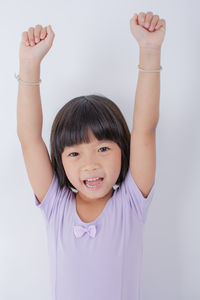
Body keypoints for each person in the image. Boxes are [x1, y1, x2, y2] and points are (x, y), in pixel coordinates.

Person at [16, 11, 166, 300]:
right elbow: (30, 139)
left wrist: (149, 50)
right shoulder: (56, 205)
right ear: (59, 161)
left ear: (125, 151)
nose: (90, 164)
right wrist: (29, 65)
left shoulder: (131, 203)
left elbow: (145, 128)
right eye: (74, 153)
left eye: (103, 148)